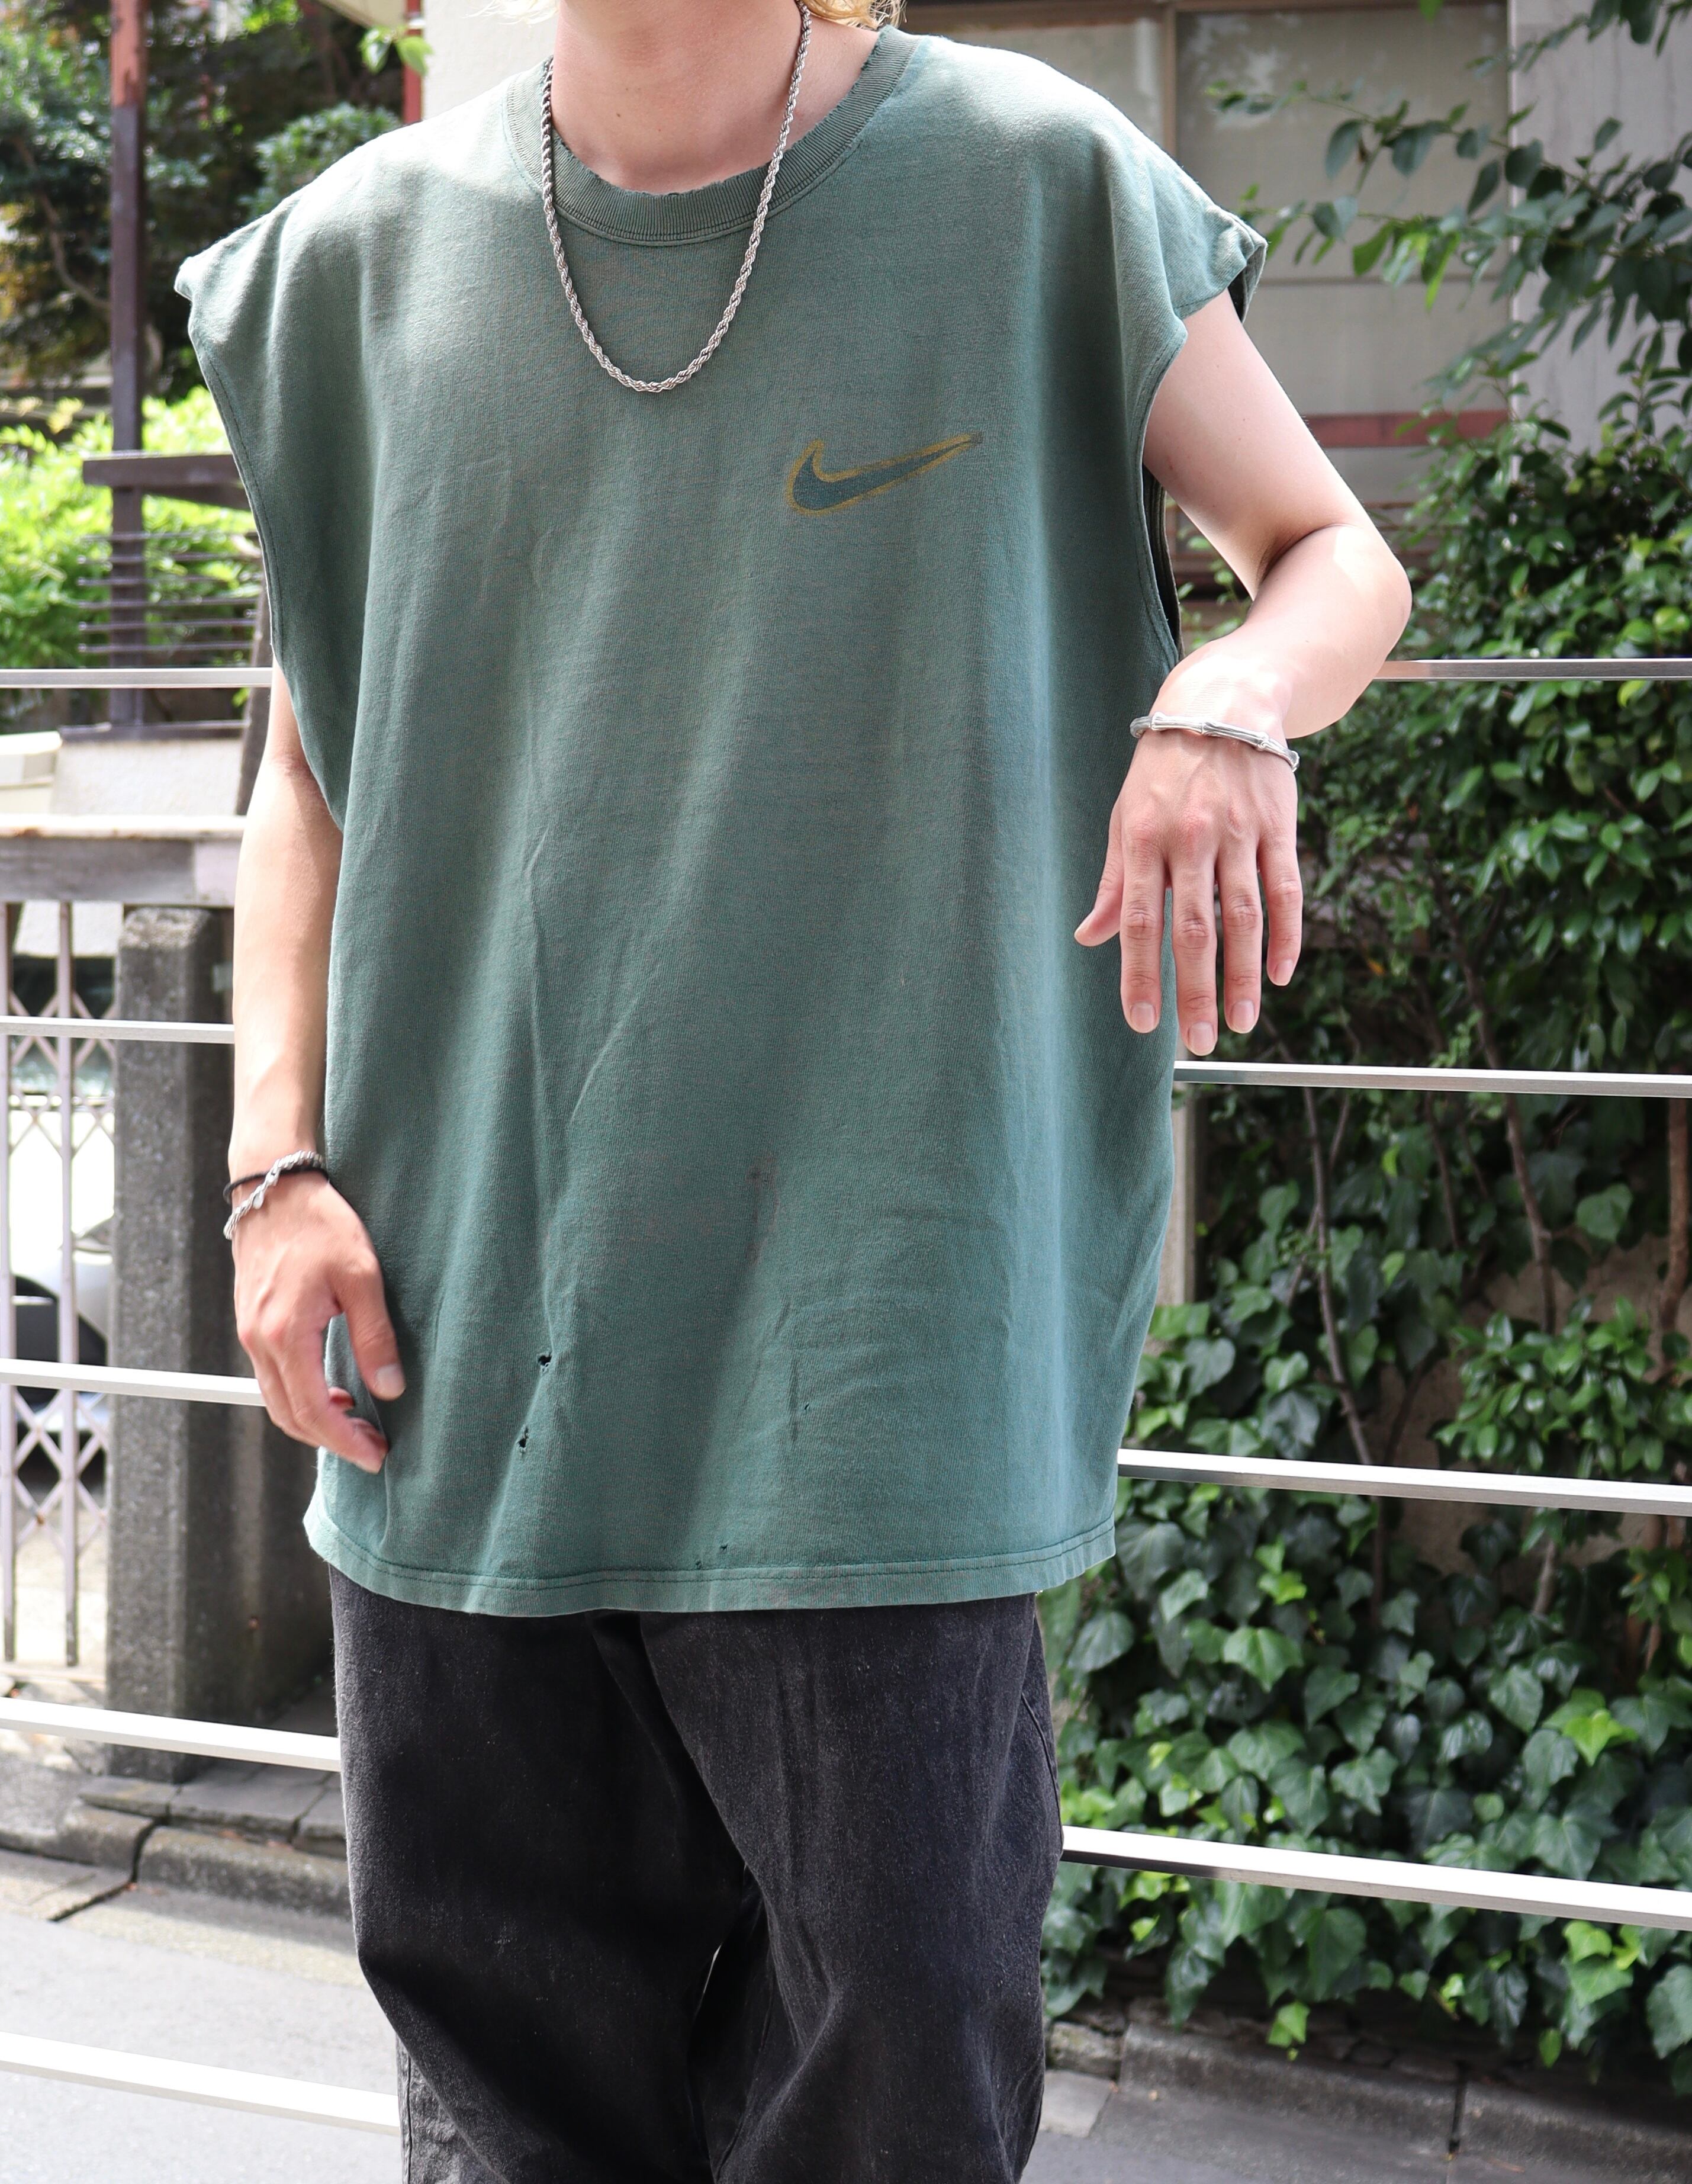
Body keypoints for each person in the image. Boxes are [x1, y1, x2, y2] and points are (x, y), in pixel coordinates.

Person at [182, 0, 1410, 2174]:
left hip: (876, 1348)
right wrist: (273, 1165)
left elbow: (1330, 551)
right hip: (454, 1340)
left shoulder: (1027, 183)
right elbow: (310, 770)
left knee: (898, 2073)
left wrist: (1228, 700)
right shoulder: (343, 262)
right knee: (504, 2106)